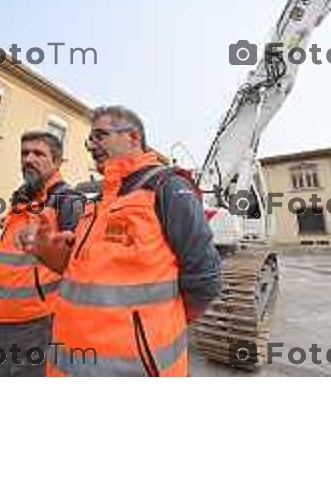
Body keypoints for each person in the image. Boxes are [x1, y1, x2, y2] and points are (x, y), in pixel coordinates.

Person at [21, 105, 222, 377]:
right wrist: (47, 253)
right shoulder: (99, 201)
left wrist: (160, 323)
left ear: (133, 137)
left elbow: (205, 279)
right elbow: (86, 276)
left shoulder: (168, 187)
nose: (92, 145)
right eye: (89, 139)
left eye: (100, 135)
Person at [0, 131, 83, 377]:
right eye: (25, 153)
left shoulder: (68, 201)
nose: (29, 159)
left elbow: (79, 265)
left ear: (56, 161)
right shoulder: (22, 199)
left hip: (34, 320)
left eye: (38, 153)